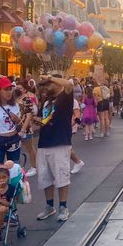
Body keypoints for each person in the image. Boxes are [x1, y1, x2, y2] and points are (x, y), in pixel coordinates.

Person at [35, 74, 74, 222]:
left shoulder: (65, 97)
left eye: (48, 84)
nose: (46, 87)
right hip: (44, 142)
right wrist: (35, 121)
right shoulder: (46, 101)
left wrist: (51, 77)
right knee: (45, 177)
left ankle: (63, 207)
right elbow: (42, 119)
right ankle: (49, 206)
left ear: (57, 84)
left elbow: (69, 84)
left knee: (61, 176)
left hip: (60, 142)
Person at [15, 85, 38, 177]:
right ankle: (18, 168)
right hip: (16, 126)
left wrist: (24, 129)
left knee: (30, 147)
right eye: (17, 87)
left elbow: (29, 115)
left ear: (24, 89)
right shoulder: (15, 99)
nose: (18, 89)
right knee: (17, 148)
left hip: (26, 127)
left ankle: (34, 167)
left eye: (20, 88)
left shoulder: (26, 100)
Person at [70, 96, 85, 174]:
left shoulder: (73, 101)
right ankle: (78, 162)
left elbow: (77, 116)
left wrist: (69, 125)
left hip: (67, 127)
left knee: (65, 146)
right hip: (57, 127)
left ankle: (78, 162)